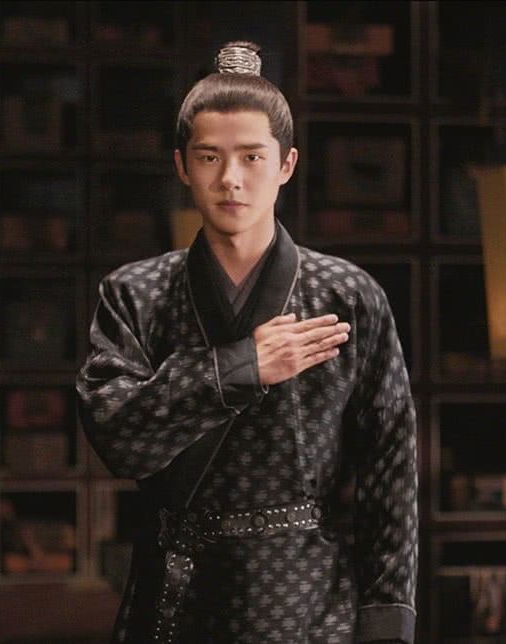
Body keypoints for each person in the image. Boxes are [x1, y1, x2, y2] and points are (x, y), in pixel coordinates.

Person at [77, 40, 417, 644]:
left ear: (287, 164)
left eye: (252, 157)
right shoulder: (135, 294)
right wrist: (241, 367)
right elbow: (117, 437)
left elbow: (390, 471)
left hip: (311, 603)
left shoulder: (348, 296)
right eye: (209, 157)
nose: (230, 179)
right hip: (177, 598)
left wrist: (387, 620)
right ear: (182, 166)